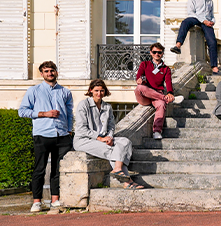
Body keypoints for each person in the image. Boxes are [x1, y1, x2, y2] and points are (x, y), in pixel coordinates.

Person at [18, 61, 74, 212]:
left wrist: (69, 130)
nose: (50, 73)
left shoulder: (65, 92)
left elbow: (69, 113)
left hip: (62, 135)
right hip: (42, 134)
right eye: (47, 71)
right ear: (42, 74)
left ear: (56, 72)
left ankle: (54, 200)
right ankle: (37, 201)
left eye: (52, 70)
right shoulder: (33, 91)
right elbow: (22, 111)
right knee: (39, 168)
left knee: (57, 169)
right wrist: (44, 114)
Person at [73, 79, 141, 189]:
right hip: (84, 140)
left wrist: (109, 136)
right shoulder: (83, 105)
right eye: (96, 90)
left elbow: (111, 126)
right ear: (90, 91)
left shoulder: (107, 107)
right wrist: (99, 138)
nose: (99, 93)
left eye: (102, 90)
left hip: (103, 138)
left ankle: (117, 169)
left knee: (125, 142)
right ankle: (127, 181)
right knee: (113, 149)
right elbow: (81, 129)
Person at [135, 42, 184, 140]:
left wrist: (170, 93)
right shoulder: (145, 64)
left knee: (161, 105)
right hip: (145, 94)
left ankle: (157, 131)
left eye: (159, 52)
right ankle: (167, 99)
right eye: (154, 52)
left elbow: (168, 82)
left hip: (157, 94)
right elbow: (138, 75)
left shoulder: (166, 69)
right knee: (139, 88)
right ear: (150, 53)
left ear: (162, 54)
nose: (157, 54)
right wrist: (139, 79)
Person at [170, 0, 219, 75]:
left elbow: (212, 15)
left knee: (212, 42)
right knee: (185, 22)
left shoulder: (210, 1)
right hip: (196, 18)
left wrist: (212, 21)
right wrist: (203, 21)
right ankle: (178, 45)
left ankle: (214, 67)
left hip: (207, 22)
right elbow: (191, 12)